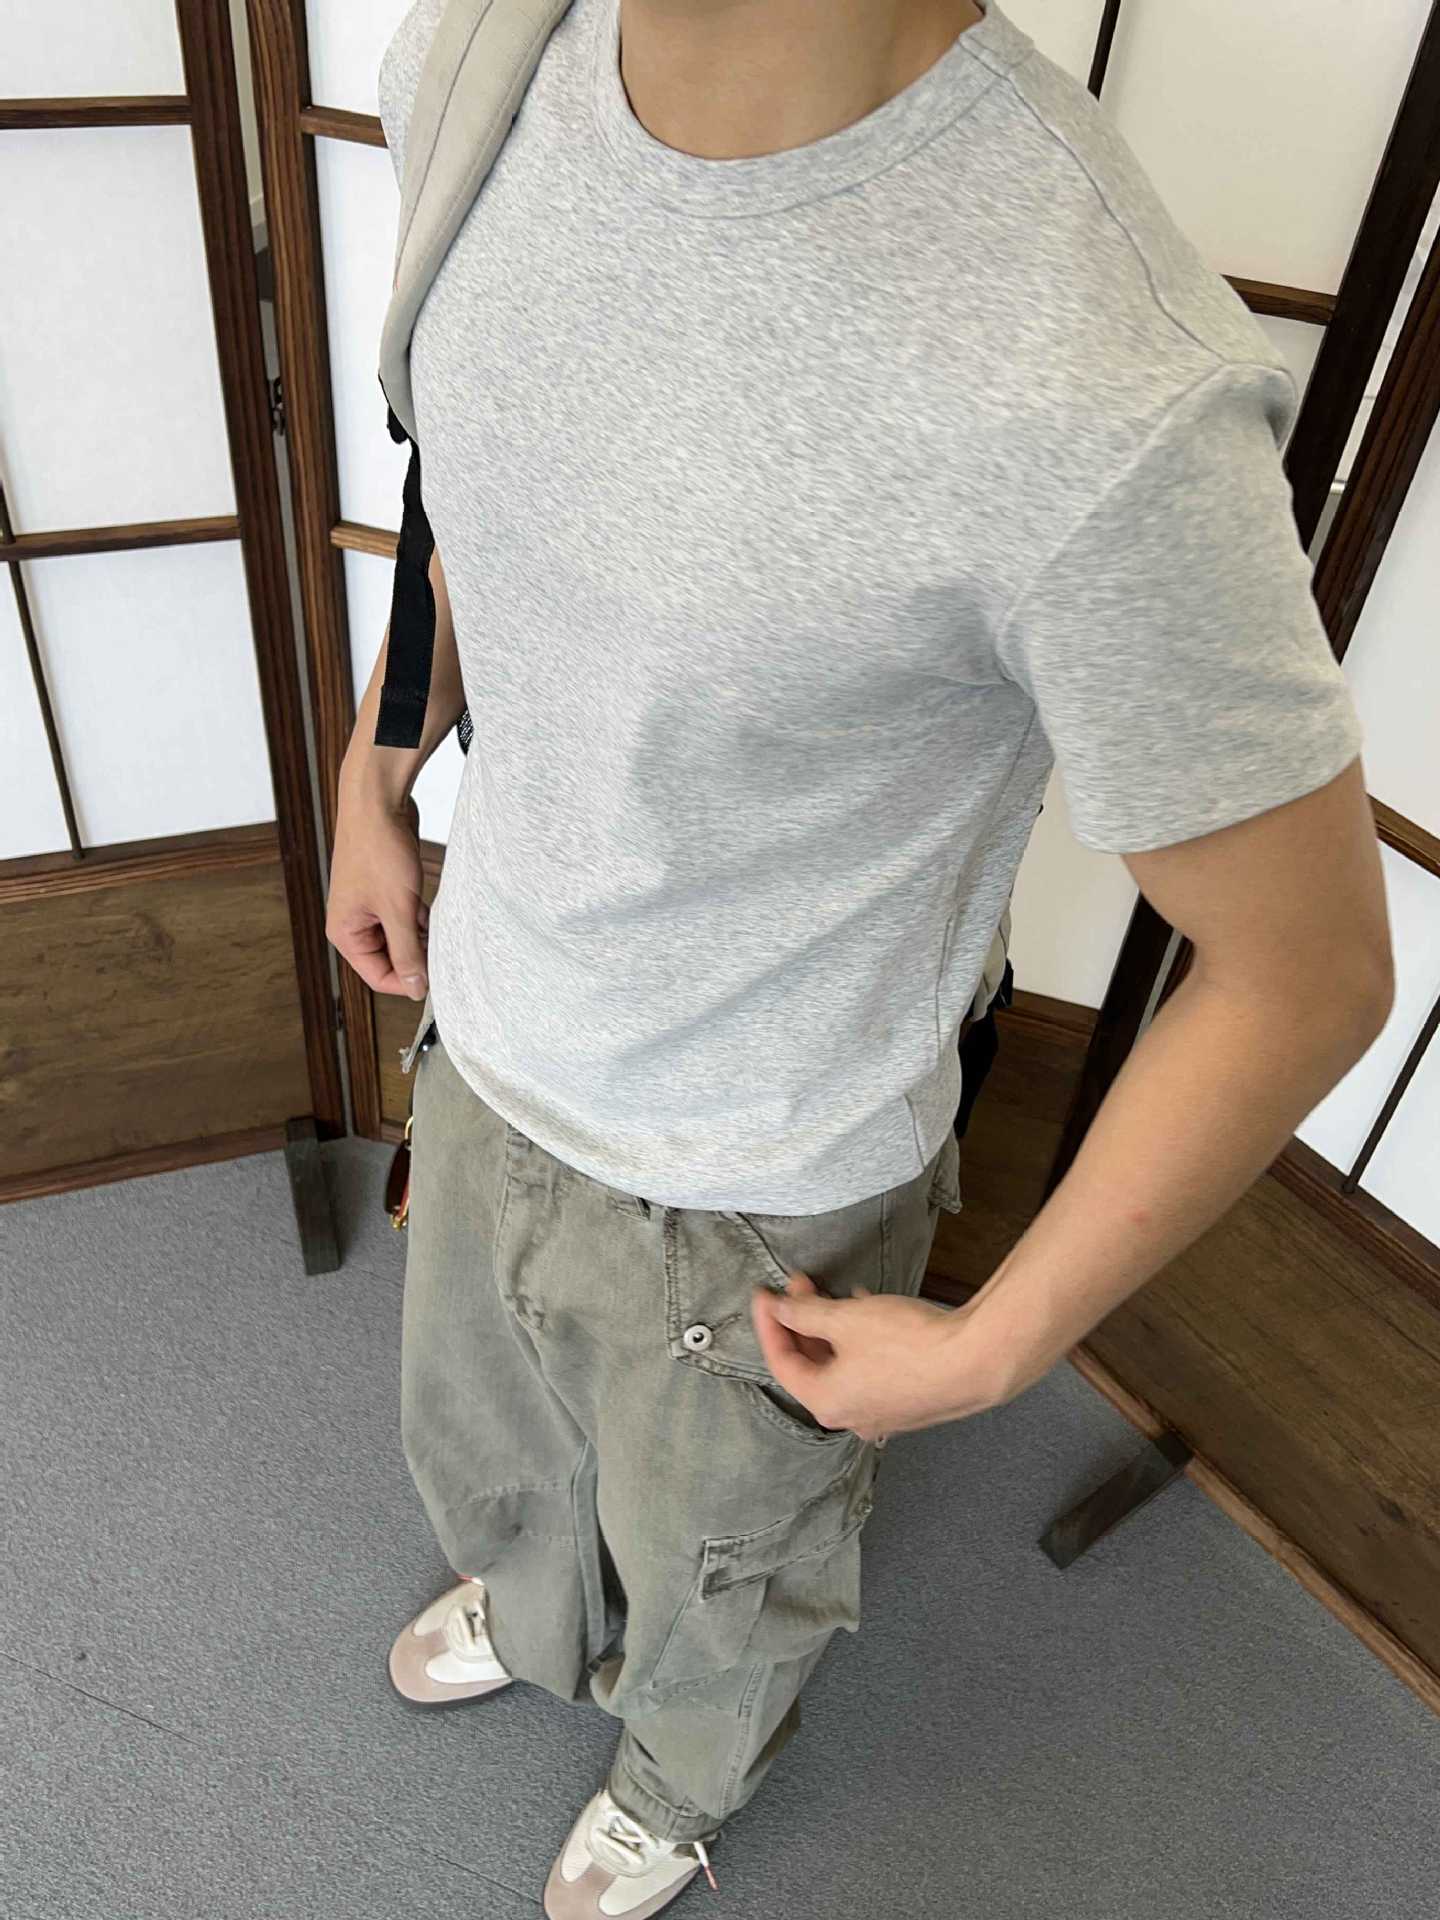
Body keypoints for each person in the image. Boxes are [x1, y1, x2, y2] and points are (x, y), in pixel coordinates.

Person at [325, 1, 1392, 1911]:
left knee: (728, 1561)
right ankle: (540, 1594)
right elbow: (461, 464)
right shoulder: (476, 54)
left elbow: (1303, 972)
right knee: (492, 1437)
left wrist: (994, 1348)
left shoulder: (1098, 383)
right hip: (485, 1029)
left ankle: (681, 1775)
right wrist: (379, 761)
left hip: (760, 1169)